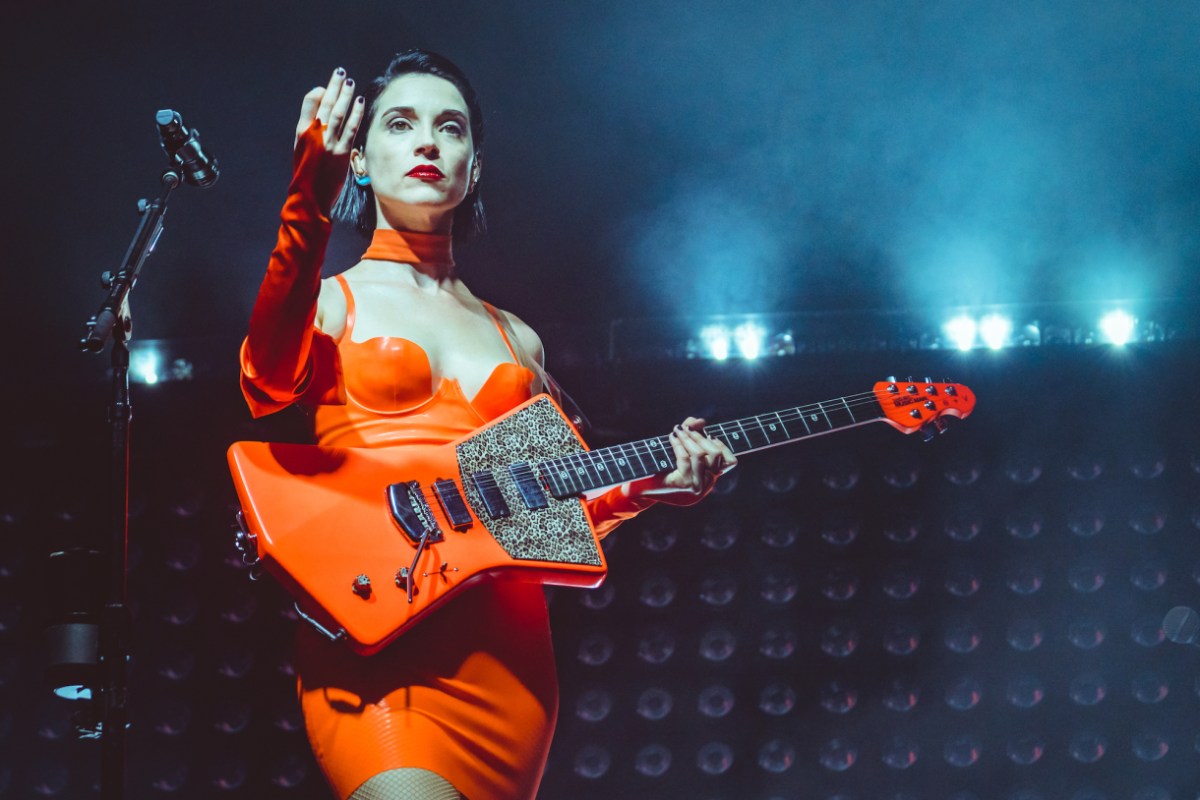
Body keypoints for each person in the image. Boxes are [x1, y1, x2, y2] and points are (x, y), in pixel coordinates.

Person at [239, 50, 736, 800]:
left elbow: (549, 515)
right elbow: (265, 378)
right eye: (401, 125)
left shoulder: (517, 339)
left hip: (506, 659)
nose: (429, 143)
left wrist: (649, 490)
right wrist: (308, 195)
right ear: (362, 159)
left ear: (474, 166)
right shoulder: (334, 300)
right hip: (378, 628)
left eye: (451, 128)